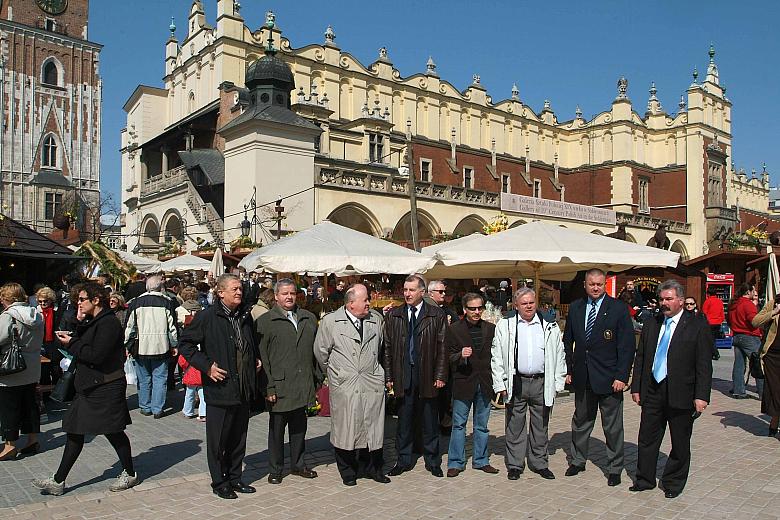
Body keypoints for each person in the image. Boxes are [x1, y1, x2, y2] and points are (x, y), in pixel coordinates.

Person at [33, 282, 137, 495]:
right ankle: (58, 480)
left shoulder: (109, 323)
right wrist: (77, 321)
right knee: (75, 430)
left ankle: (130, 472)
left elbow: (95, 355)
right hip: (89, 386)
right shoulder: (93, 320)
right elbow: (81, 341)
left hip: (106, 385)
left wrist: (72, 342)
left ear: (96, 300)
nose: (78, 303)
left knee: (113, 431)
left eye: (82, 300)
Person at [178, 274, 261, 499]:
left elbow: (249, 341)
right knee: (219, 439)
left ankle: (235, 477)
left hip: (243, 386)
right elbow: (186, 344)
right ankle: (220, 481)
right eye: (234, 289)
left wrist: (255, 357)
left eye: (240, 288)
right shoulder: (207, 316)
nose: (239, 292)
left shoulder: (244, 315)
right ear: (220, 292)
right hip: (220, 386)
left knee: (238, 437)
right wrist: (207, 367)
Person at [629, 280, 712, 498]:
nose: (664, 303)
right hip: (653, 390)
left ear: (681, 301)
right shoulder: (652, 323)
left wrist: (701, 396)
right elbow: (641, 357)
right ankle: (644, 479)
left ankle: (673, 483)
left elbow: (704, 363)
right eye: (661, 299)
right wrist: (636, 387)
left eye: (669, 299)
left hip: (682, 392)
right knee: (647, 438)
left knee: (680, 441)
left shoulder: (697, 325)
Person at [563, 268, 635, 487]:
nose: (595, 288)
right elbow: (567, 341)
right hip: (583, 376)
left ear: (605, 285)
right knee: (581, 422)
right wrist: (568, 369)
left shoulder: (618, 308)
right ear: (585, 284)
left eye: (599, 284)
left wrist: (622, 376)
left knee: (612, 427)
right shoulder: (576, 307)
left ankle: (614, 468)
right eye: (592, 284)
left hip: (609, 378)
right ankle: (578, 460)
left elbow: (626, 346)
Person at [313, 284, 390, 486]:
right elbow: (321, 352)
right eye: (365, 300)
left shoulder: (376, 319)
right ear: (351, 303)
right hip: (345, 382)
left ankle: (373, 468)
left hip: (371, 380)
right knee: (346, 427)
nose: (369, 303)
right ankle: (348, 470)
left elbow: (381, 347)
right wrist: (337, 371)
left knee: (372, 426)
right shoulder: (331, 321)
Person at [491, 288, 566, 480]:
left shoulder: (549, 325)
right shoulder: (505, 324)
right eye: (524, 303)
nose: (528, 306)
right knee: (514, 425)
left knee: (540, 425)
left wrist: (558, 382)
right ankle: (515, 465)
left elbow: (559, 354)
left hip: (541, 381)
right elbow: (496, 355)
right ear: (516, 305)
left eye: (531, 302)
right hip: (516, 381)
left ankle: (539, 463)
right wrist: (500, 383)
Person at [383, 274, 448, 478]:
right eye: (405, 290)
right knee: (404, 421)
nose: (407, 294)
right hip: (404, 374)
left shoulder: (435, 315)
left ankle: (432, 460)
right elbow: (388, 348)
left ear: (422, 292)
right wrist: (389, 376)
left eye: (411, 290)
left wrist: (440, 374)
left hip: (427, 374)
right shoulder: (395, 315)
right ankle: (403, 460)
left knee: (429, 420)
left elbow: (443, 347)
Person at [257, 278, 320, 485]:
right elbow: (262, 358)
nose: (289, 297)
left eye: (292, 293)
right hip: (279, 386)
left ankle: (298, 464)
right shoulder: (266, 321)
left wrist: (317, 379)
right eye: (284, 293)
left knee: (299, 428)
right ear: (276, 296)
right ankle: (275, 469)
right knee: (277, 431)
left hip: (302, 383)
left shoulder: (308, 318)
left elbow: (316, 352)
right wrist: (268, 387)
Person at [446, 292, 498, 477]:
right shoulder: (454, 329)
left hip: (484, 382)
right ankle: (455, 462)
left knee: (481, 425)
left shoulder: (490, 328)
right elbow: (447, 357)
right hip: (464, 382)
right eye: (472, 308)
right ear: (464, 309)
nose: (477, 312)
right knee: (459, 424)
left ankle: (481, 460)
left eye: (479, 308)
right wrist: (460, 355)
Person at [124, 275, 178, 418]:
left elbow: (129, 327)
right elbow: (172, 327)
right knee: (160, 378)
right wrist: (174, 344)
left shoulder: (136, 302)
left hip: (141, 346)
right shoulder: (167, 302)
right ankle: (157, 408)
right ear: (160, 287)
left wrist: (127, 345)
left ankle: (145, 406)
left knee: (144, 378)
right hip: (161, 345)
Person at [0, 283, 44, 460]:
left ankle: (10, 445)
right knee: (30, 404)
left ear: (7, 298)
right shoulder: (36, 314)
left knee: (9, 406)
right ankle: (32, 439)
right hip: (32, 365)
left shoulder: (8, 316)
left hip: (11, 367)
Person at [727, 283, 763, 399]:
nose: (755, 293)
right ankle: (764, 392)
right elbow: (754, 321)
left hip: (737, 335)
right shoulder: (747, 304)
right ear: (748, 292)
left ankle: (738, 390)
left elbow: (728, 320)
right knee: (758, 364)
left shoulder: (734, 304)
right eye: (753, 291)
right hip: (749, 336)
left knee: (739, 364)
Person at [752, 294, 780, 436]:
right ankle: (774, 421)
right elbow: (755, 322)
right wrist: (774, 312)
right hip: (772, 356)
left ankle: (774, 423)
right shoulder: (773, 303)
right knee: (775, 390)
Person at [36, 286, 63, 387]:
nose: (42, 303)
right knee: (44, 370)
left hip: (54, 343)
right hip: (41, 343)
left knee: (55, 368)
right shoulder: (36, 312)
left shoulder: (57, 311)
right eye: (40, 301)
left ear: (51, 300)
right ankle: (45, 393)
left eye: (45, 301)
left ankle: (57, 391)